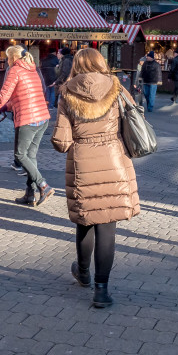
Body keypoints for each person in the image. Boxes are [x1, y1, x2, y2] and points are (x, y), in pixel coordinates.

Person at [52, 47, 140, 308]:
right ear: (101, 62)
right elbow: (133, 114)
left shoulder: (67, 92)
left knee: (85, 220)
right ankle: (101, 291)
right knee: (107, 225)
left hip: (83, 163)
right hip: (114, 160)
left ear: (76, 66)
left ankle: (83, 272)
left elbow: (62, 140)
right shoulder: (116, 86)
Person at [0, 45, 54, 207]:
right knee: (31, 156)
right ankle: (30, 195)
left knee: (20, 155)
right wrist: (6, 107)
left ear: (13, 58)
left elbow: (4, 95)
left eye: (8, 58)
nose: (7, 61)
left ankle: (44, 185)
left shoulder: (15, 70)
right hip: (42, 118)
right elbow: (21, 95)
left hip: (28, 118)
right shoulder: (31, 69)